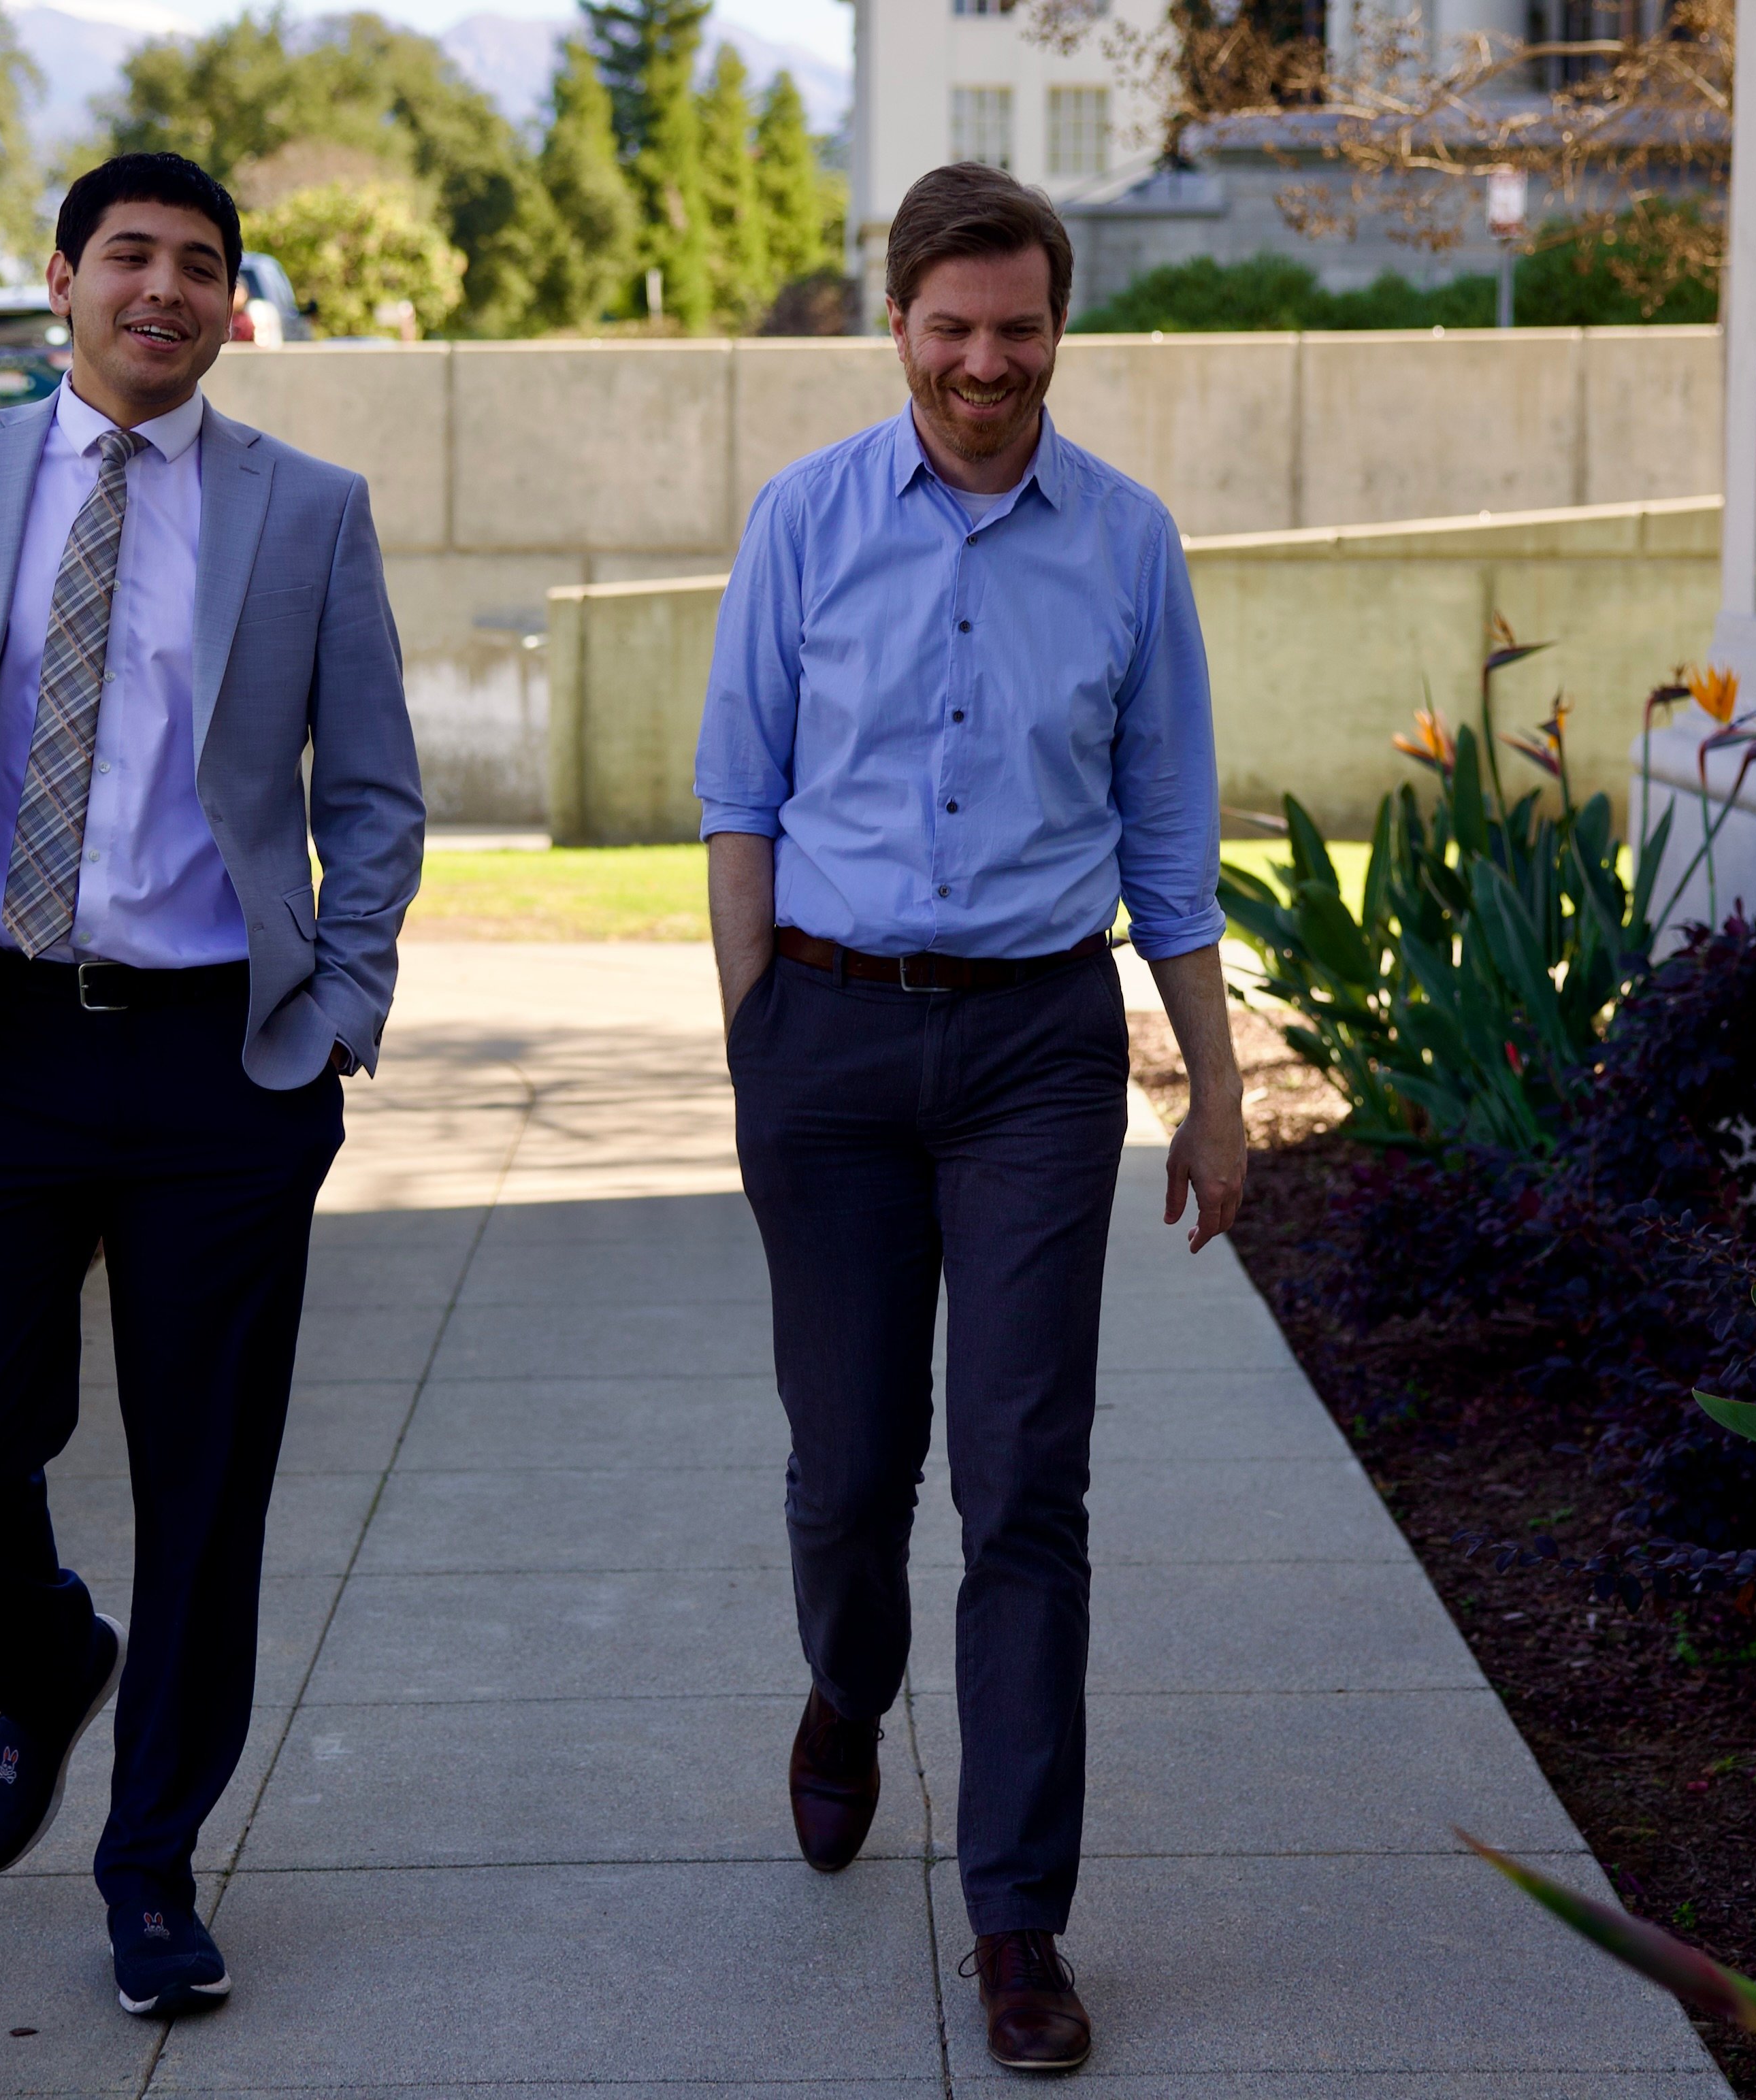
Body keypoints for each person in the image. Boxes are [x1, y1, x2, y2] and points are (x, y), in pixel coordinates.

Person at [0, 150, 423, 2018]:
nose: (164, 289)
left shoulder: (306, 513)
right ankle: (49, 1665)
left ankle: (150, 1868)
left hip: (221, 1061)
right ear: (61, 281)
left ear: (236, 310)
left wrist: (345, 1004)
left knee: (207, 1490)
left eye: (201, 268)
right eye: (128, 255)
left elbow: (371, 792)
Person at [694, 161, 1246, 2074]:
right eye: (951, 330)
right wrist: (753, 1041)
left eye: (1017, 330)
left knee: (1025, 1484)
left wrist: (1216, 1094)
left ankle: (1017, 1922)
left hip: (1030, 1049)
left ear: (1055, 327)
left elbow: (1168, 843)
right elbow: (738, 800)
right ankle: (847, 1695)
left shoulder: (1127, 545)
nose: (984, 365)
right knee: (847, 1472)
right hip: (827, 1051)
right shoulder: (802, 520)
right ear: (900, 327)